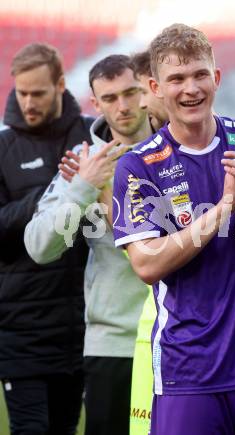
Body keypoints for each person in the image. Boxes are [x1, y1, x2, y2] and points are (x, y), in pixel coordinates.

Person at [112, 23, 235, 435]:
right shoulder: (138, 165)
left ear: (216, 77)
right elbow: (147, 264)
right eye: (177, 79)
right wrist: (222, 210)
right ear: (156, 86)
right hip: (189, 374)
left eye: (200, 74)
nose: (191, 89)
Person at [24, 54, 162, 435]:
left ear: (148, 91)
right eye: (110, 97)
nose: (123, 106)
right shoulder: (86, 164)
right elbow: (39, 245)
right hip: (113, 344)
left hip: (182, 338)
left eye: (131, 92)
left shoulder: (179, 154)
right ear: (95, 103)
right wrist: (85, 187)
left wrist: (108, 197)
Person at [0, 43, 93, 435]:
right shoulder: (2, 147)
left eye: (38, 93)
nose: (28, 102)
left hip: (81, 326)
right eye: (22, 93)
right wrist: (49, 198)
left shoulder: (91, 134)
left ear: (60, 85)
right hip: (22, 328)